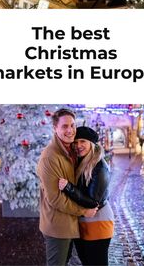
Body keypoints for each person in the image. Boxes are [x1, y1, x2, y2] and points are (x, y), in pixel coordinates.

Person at [36, 109, 97, 266]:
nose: (70, 130)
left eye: (72, 125)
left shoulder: (71, 151)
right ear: (55, 128)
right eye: (64, 126)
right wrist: (84, 211)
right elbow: (56, 199)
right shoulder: (50, 157)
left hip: (70, 224)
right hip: (58, 227)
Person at [59, 126, 114, 266]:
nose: (78, 146)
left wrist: (68, 188)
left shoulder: (100, 167)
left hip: (98, 221)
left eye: (82, 141)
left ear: (92, 144)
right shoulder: (81, 163)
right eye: (76, 142)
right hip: (83, 221)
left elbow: (92, 201)